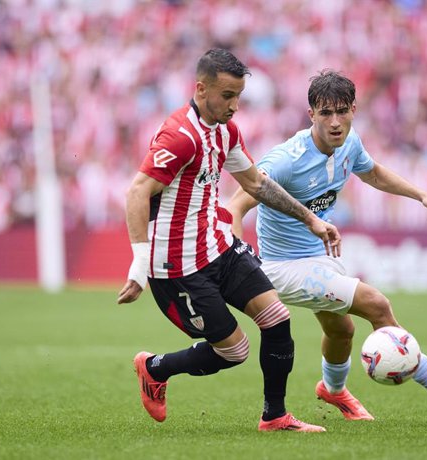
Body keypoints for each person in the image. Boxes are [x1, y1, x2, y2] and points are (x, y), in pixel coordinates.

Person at [226, 69, 427, 421]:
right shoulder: (286, 160)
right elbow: (236, 204)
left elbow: (373, 173)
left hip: (317, 258)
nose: (335, 122)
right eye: (326, 113)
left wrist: (422, 196)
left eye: (342, 111)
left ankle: (332, 391)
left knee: (340, 330)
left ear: (354, 110)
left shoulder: (350, 143)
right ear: (310, 113)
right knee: (376, 305)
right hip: (281, 266)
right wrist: (237, 261)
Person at [117, 49, 342, 432]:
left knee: (277, 319)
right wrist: (139, 264)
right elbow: (137, 192)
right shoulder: (180, 136)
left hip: (218, 245)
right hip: (177, 266)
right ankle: (155, 368)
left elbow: (255, 183)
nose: (235, 105)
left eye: (239, 96)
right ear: (200, 89)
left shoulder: (226, 131)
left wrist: (310, 220)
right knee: (235, 351)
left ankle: (275, 416)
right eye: (227, 96)